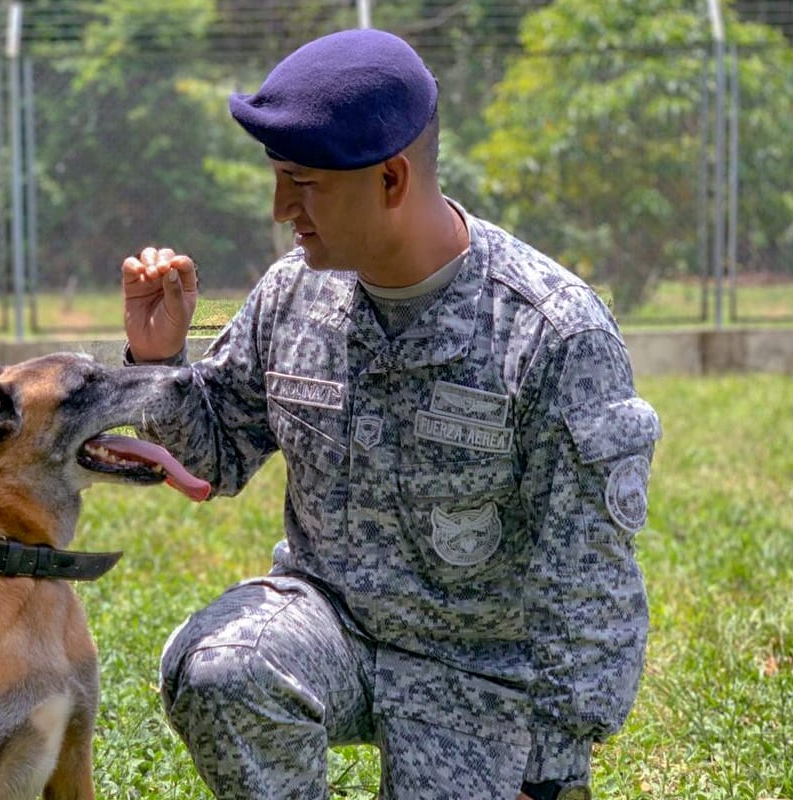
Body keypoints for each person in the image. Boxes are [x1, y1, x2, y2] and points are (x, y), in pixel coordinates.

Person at [120, 28, 660, 800]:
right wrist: (158, 366)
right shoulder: (294, 294)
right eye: (279, 180)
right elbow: (214, 455)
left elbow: (587, 580)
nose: (281, 210)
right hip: (330, 624)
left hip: (475, 672)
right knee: (220, 669)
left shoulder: (547, 332)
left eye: (303, 184)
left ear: (393, 179)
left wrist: (554, 770)